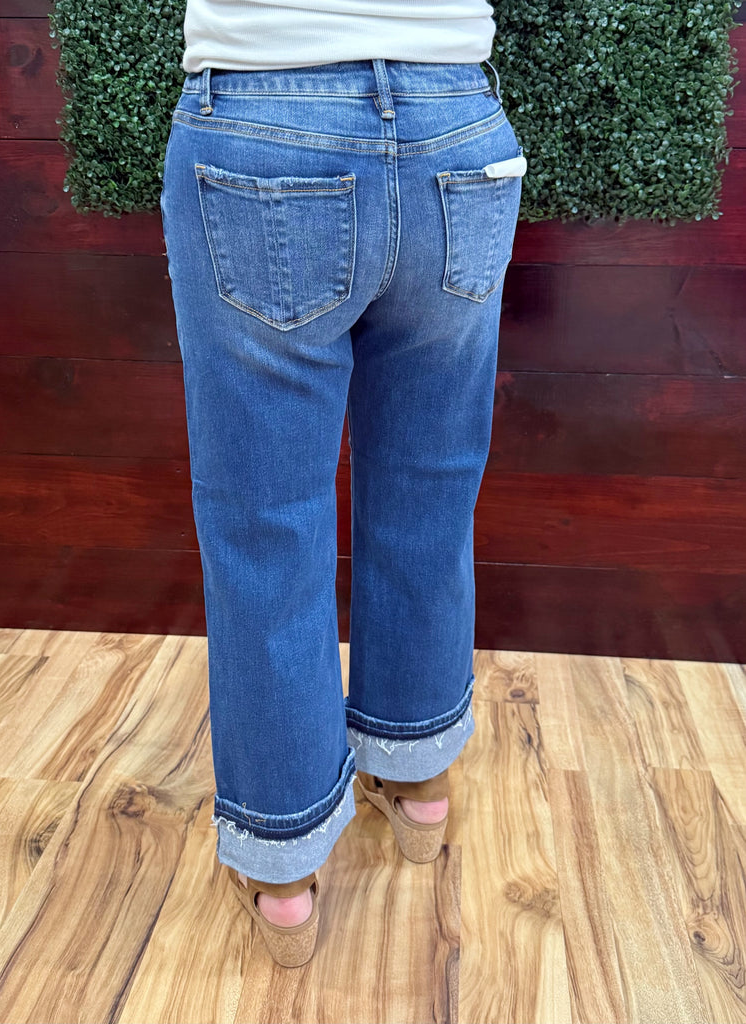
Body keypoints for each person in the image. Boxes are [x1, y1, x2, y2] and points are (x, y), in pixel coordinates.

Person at [159, 0, 526, 968]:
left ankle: (283, 869)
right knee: (429, 492)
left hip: (260, 114)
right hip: (456, 121)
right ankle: (418, 782)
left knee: (264, 524)